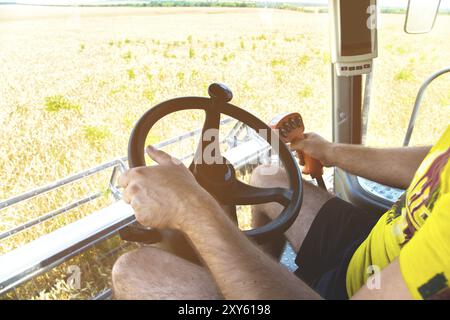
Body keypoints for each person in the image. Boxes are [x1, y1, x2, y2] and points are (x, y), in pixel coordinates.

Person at [112, 125, 450, 300]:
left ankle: (262, 284)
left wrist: (191, 207)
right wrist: (331, 152)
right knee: (269, 177)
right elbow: (438, 159)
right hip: (375, 245)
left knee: (134, 270)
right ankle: (262, 272)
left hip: (360, 288)